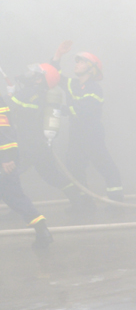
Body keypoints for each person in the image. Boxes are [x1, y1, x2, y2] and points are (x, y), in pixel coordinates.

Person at [7, 62, 92, 213]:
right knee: (53, 176)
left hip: (28, 146)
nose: (30, 74)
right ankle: (80, 202)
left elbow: (5, 107)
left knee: (8, 175)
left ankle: (20, 209)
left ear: (40, 79)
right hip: (41, 145)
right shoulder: (40, 93)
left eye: (35, 73)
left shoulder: (27, 92)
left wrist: (9, 95)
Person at [0, 82, 53, 249]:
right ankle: (41, 228)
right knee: (14, 196)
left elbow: (4, 128)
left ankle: (41, 229)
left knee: (13, 195)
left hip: (4, 158)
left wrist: (7, 157)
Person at [65, 52, 123, 202]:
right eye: (77, 61)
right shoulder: (73, 84)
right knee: (75, 167)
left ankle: (116, 199)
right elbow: (54, 77)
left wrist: (63, 109)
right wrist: (57, 56)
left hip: (91, 134)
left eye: (82, 62)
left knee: (104, 165)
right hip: (76, 134)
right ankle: (84, 203)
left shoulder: (94, 89)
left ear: (91, 69)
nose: (77, 64)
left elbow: (85, 111)